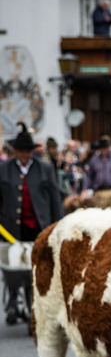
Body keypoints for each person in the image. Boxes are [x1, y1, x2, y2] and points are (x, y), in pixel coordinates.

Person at [0, 123, 64, 324]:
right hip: (11, 228)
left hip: (38, 227)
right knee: (12, 269)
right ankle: (12, 303)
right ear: (15, 151)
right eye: (21, 151)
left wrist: (59, 225)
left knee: (33, 268)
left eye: (28, 150)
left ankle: (31, 303)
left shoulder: (45, 168)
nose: (25, 154)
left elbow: (54, 199)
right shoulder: (4, 169)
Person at [83, 136, 111, 209]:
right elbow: (89, 176)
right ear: (100, 149)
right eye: (103, 148)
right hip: (100, 192)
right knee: (101, 214)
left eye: (106, 148)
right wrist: (84, 189)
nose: (105, 150)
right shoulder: (94, 160)